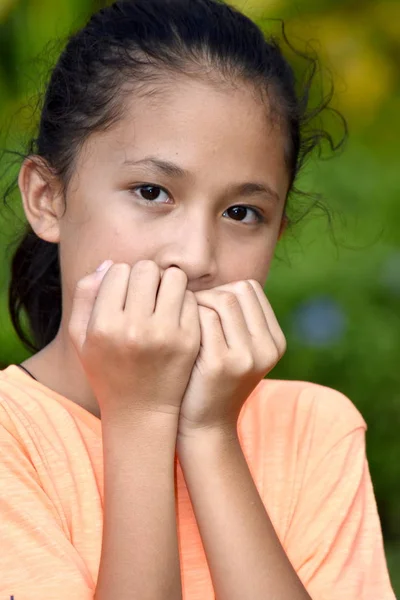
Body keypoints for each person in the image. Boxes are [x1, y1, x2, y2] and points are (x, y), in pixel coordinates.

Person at [0, 0, 395, 598]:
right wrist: (141, 418)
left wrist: (209, 434)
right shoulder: (15, 439)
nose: (195, 256)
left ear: (278, 232)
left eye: (242, 212)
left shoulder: (315, 430)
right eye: (153, 191)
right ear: (47, 198)